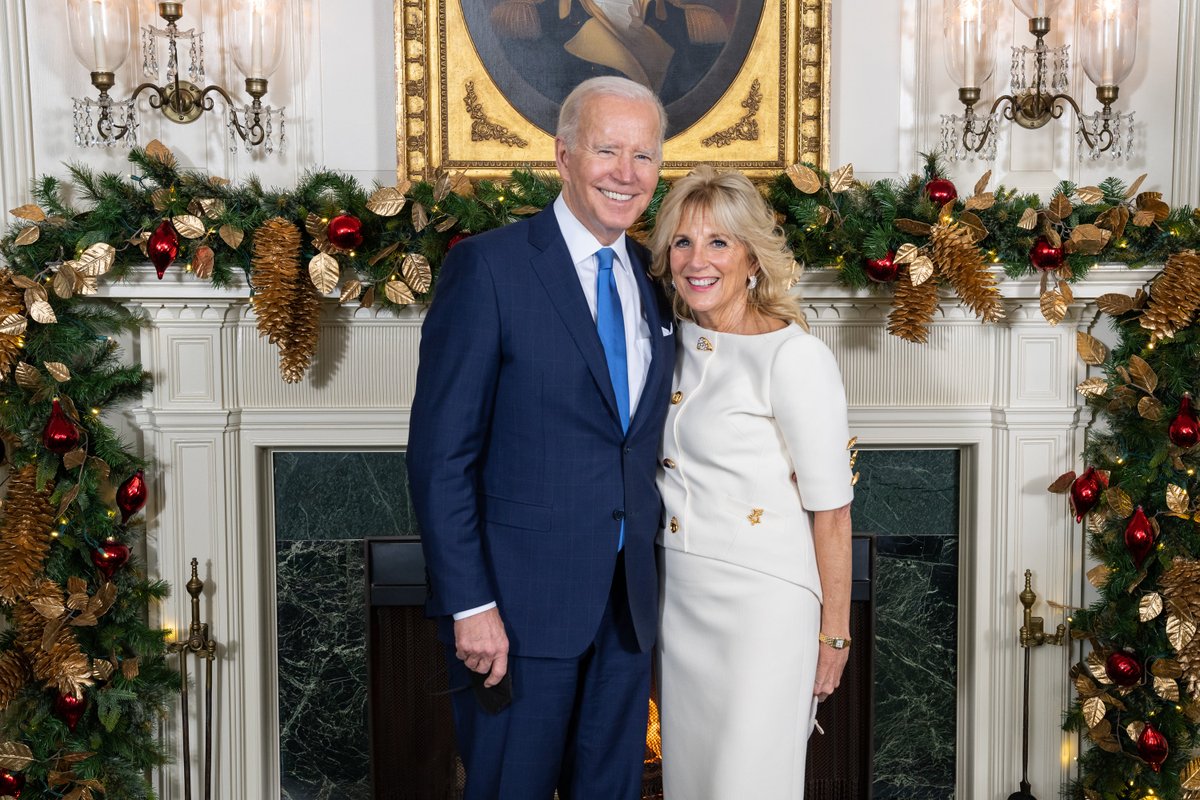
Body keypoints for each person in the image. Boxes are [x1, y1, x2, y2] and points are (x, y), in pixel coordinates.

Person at [406, 76, 675, 800]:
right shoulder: (489, 267)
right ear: (563, 156)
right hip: (514, 616)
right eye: (607, 150)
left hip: (627, 613)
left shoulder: (656, 279)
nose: (626, 173)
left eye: (644, 156)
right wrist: (470, 605)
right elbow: (440, 457)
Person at [647, 165, 855, 798]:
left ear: (752, 258)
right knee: (692, 783)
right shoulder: (667, 343)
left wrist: (835, 635)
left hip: (764, 606)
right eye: (683, 242)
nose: (697, 260)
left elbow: (832, 511)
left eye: (719, 242)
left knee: (747, 782)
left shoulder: (794, 357)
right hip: (679, 600)